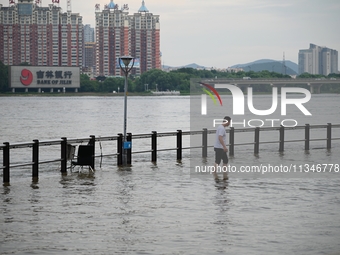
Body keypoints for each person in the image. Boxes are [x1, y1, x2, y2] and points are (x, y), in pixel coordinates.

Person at [212, 116, 231, 181]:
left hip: (220, 147)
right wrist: (224, 147)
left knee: (225, 160)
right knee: (217, 161)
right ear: (227, 121)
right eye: (229, 122)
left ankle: (224, 173)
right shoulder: (222, 128)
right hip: (219, 148)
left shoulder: (220, 127)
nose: (229, 124)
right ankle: (214, 173)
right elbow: (220, 137)